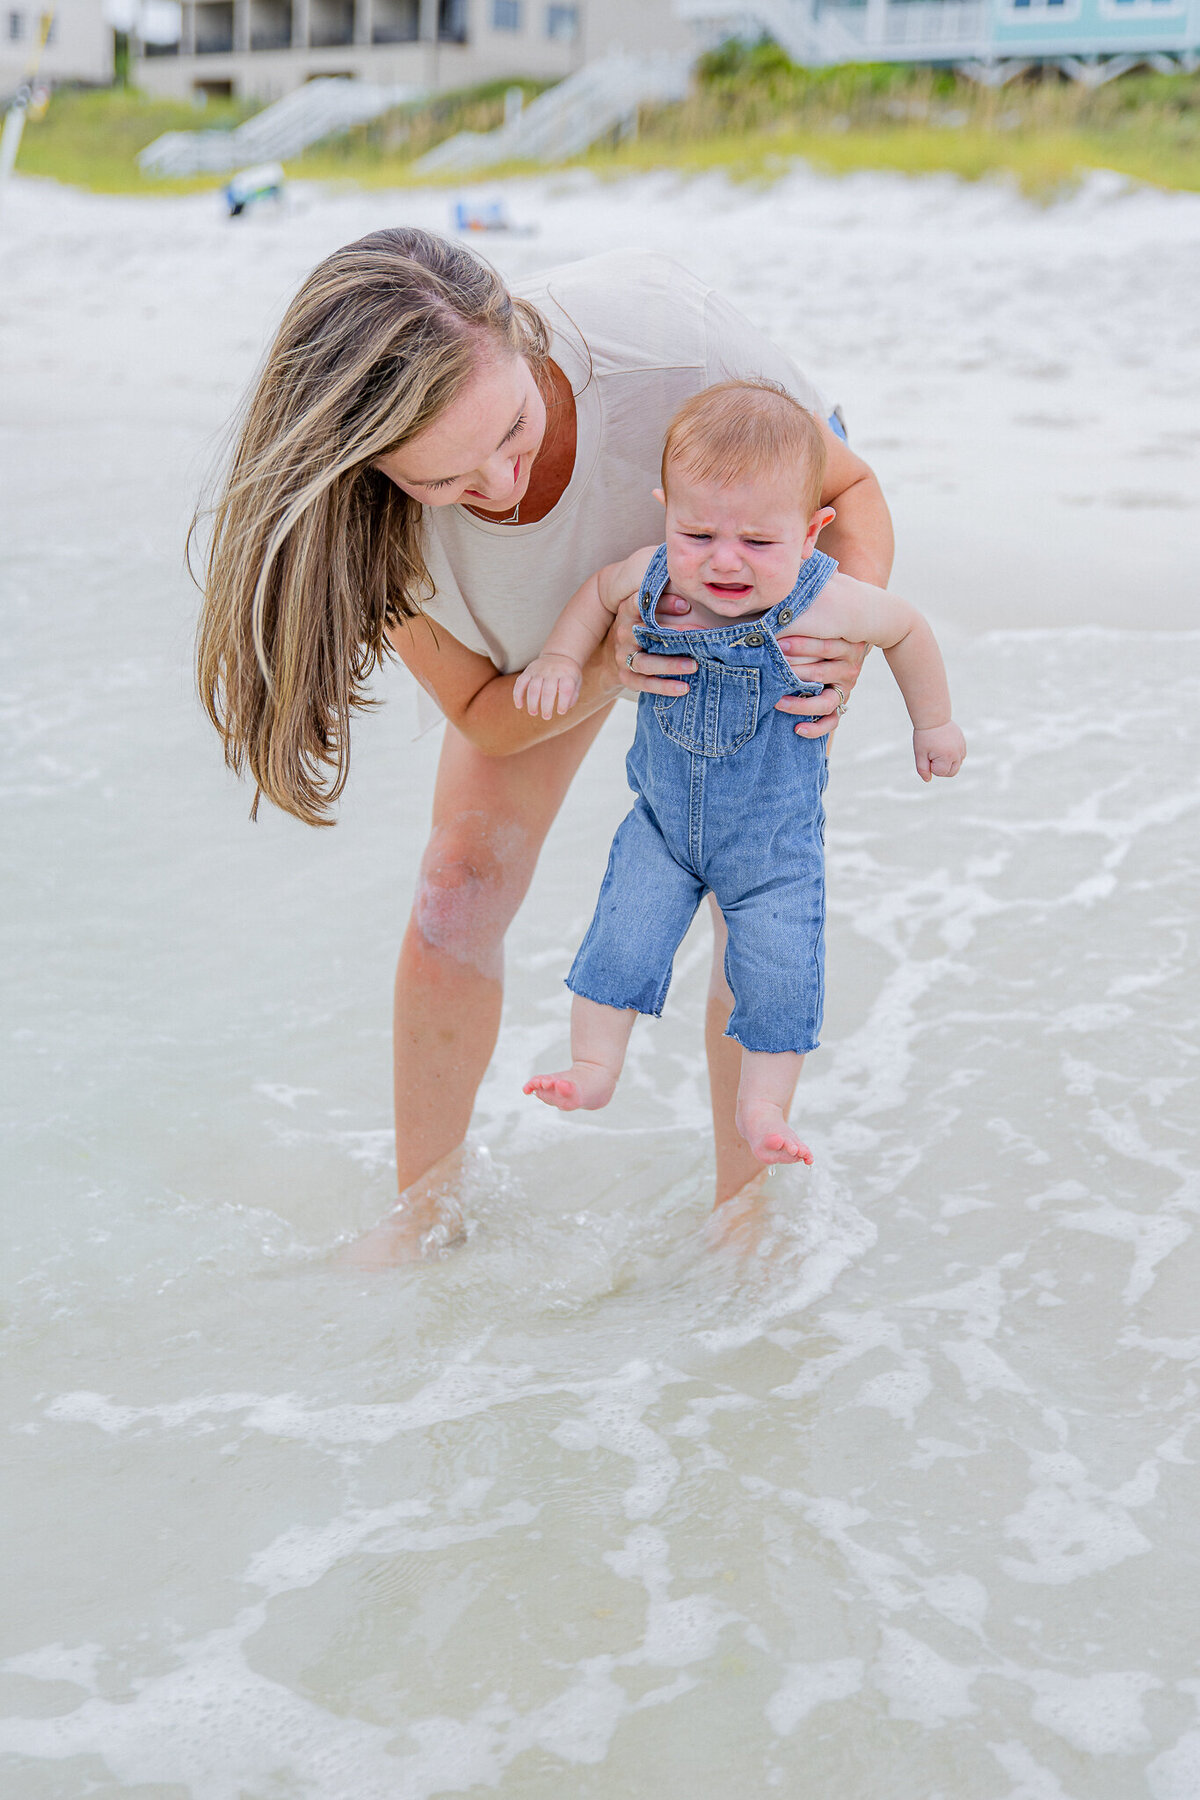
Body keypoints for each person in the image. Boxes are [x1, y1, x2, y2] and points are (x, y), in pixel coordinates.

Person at [196, 228, 894, 1261]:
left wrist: (842, 640)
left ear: (516, 334)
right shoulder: (362, 518)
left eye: (514, 427)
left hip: (739, 586)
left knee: (751, 885)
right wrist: (607, 666)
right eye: (447, 477)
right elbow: (482, 706)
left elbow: (848, 489)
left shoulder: (668, 345)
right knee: (455, 888)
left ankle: (745, 1219)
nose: (503, 479)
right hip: (547, 654)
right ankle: (424, 1214)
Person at [516, 380, 965, 1165]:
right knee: (620, 941)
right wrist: (561, 656)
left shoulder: (829, 605)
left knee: (780, 971)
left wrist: (933, 721)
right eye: (697, 532)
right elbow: (595, 594)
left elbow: (908, 630)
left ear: (811, 531)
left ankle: (763, 1107)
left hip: (771, 849)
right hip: (659, 828)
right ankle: (594, 1067)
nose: (723, 561)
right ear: (666, 512)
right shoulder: (652, 576)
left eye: (759, 543)